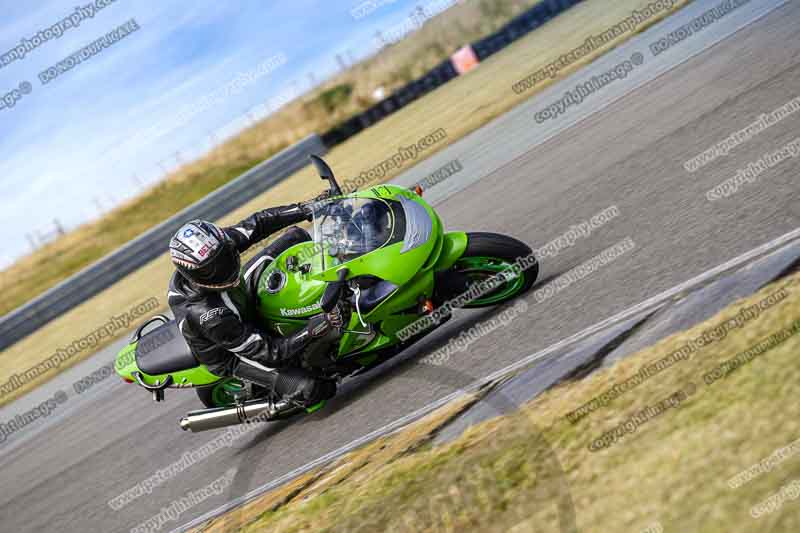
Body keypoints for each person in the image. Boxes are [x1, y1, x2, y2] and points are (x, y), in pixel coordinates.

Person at [167, 199, 340, 417]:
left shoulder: (214, 249)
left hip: (239, 297)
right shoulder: (208, 314)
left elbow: (257, 224)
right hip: (233, 352)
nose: (223, 269)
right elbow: (270, 352)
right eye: (211, 270)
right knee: (313, 389)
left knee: (296, 238)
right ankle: (285, 397)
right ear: (192, 274)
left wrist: (306, 208)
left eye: (225, 257)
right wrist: (310, 331)